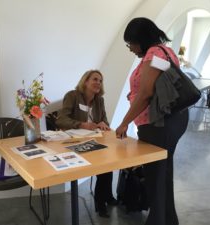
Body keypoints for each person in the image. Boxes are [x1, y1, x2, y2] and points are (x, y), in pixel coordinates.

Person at [115, 17, 189, 225]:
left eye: (130, 43)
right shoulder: (166, 51)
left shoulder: (153, 54)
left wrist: (124, 122)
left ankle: (157, 221)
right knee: (163, 175)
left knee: (156, 178)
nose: (130, 48)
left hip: (157, 124)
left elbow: (146, 93)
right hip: (172, 120)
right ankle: (167, 220)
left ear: (141, 38)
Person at [56, 69, 117, 218]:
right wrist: (81, 124)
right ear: (86, 81)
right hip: (74, 141)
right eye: (95, 79)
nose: (98, 83)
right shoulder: (72, 96)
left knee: (108, 162)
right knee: (103, 164)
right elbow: (61, 120)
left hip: (94, 139)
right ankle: (100, 202)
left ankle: (106, 196)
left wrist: (103, 124)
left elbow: (105, 122)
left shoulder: (99, 100)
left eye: (100, 81)